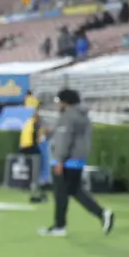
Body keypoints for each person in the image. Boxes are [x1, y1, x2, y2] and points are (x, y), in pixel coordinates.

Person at [42, 87, 113, 237]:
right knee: (74, 191)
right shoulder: (83, 116)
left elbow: (64, 139)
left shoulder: (67, 116)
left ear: (65, 101)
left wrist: (59, 160)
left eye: (59, 101)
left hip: (66, 160)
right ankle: (101, 214)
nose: (58, 104)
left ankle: (61, 226)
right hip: (78, 160)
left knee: (61, 194)